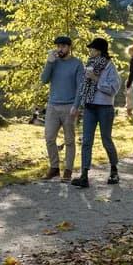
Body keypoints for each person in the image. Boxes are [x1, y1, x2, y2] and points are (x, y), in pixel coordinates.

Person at [71, 37, 121, 187]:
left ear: (99, 51)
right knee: (86, 141)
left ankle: (114, 171)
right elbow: (82, 87)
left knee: (106, 139)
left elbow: (114, 89)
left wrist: (96, 79)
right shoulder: (89, 64)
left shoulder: (109, 66)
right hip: (89, 107)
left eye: (92, 49)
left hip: (105, 108)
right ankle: (84, 175)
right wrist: (78, 104)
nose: (90, 51)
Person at [39, 36, 84, 182]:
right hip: (52, 106)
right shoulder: (53, 62)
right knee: (49, 138)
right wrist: (49, 62)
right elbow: (44, 80)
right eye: (58, 46)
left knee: (69, 140)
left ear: (70, 47)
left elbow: (80, 87)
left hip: (69, 107)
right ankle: (54, 168)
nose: (60, 49)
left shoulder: (77, 63)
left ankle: (68, 170)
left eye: (63, 46)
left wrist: (76, 106)